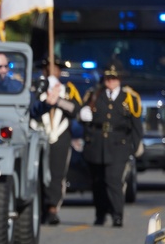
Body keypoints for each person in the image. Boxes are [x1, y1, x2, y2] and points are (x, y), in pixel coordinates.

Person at [79, 59, 143, 227]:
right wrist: (84, 118)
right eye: (108, 77)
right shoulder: (95, 94)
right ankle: (100, 214)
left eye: (114, 77)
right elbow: (85, 118)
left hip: (118, 144)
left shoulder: (129, 98)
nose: (111, 80)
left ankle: (117, 214)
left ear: (120, 79)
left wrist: (133, 147)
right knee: (98, 181)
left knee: (113, 180)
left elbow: (136, 126)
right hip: (97, 143)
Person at [33, 57, 82, 225]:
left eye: (55, 68)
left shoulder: (68, 89)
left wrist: (58, 100)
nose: (51, 71)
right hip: (40, 134)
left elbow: (75, 110)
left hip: (60, 135)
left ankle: (53, 207)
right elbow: (31, 107)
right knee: (38, 173)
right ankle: (38, 208)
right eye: (48, 69)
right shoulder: (35, 86)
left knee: (57, 173)